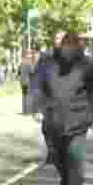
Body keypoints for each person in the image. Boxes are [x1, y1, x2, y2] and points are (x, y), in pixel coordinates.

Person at [39, 32, 93, 185]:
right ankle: (66, 180)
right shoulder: (47, 63)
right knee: (57, 155)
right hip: (54, 119)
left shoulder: (86, 64)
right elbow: (39, 87)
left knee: (75, 157)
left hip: (78, 120)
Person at [34, 32, 66, 165]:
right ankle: (52, 151)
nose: (59, 41)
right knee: (47, 129)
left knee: (64, 132)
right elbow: (37, 81)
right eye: (57, 38)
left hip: (67, 103)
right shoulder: (46, 59)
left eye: (62, 39)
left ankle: (61, 153)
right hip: (49, 101)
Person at [19, 50, 36, 115]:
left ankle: (24, 110)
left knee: (24, 95)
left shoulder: (22, 62)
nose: (31, 55)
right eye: (30, 54)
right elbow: (32, 71)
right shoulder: (29, 62)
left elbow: (19, 72)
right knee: (28, 96)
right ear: (27, 55)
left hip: (22, 81)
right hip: (28, 81)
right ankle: (28, 111)